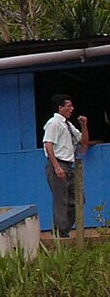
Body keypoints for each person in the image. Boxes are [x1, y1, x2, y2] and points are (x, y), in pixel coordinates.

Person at [43, 93, 90, 237]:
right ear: (60, 108)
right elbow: (48, 144)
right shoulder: (54, 123)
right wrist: (56, 166)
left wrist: (83, 126)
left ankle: (64, 229)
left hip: (69, 165)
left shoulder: (68, 125)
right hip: (59, 164)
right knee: (61, 199)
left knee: (78, 198)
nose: (72, 109)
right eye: (68, 106)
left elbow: (83, 141)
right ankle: (61, 233)